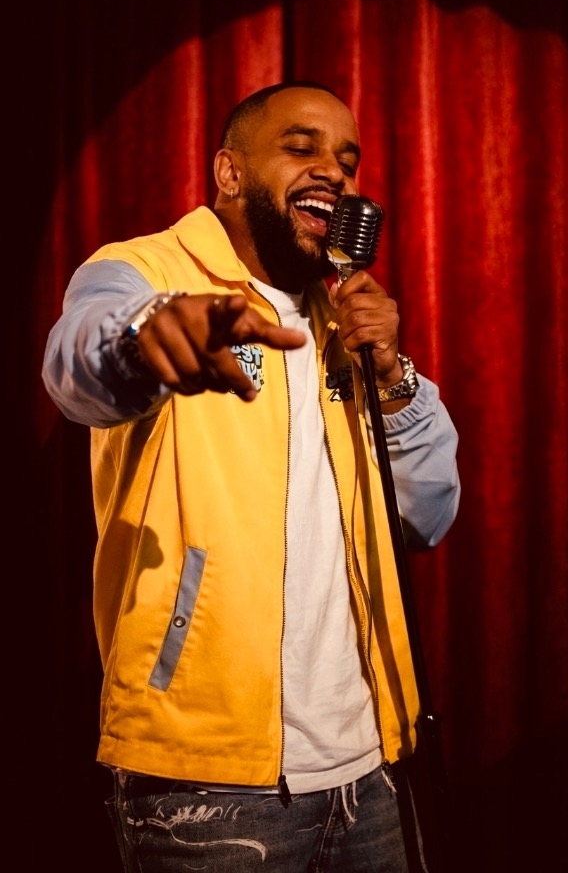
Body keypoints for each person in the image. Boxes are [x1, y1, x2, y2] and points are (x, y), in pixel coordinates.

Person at [42, 80, 460, 872]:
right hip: (206, 783)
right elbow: (76, 364)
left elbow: (426, 517)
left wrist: (393, 376)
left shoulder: (341, 317)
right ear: (229, 173)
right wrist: (144, 337)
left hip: (372, 764)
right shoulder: (142, 270)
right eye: (302, 147)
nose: (332, 171)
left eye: (347, 160)